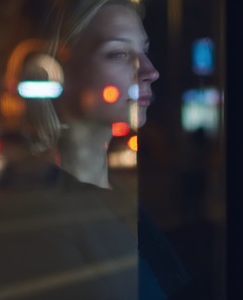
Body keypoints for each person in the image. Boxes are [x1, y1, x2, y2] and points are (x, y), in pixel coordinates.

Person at [23, 1, 187, 298]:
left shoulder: (118, 198)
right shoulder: (42, 220)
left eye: (144, 51)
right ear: (57, 72)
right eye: (119, 54)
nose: (150, 71)